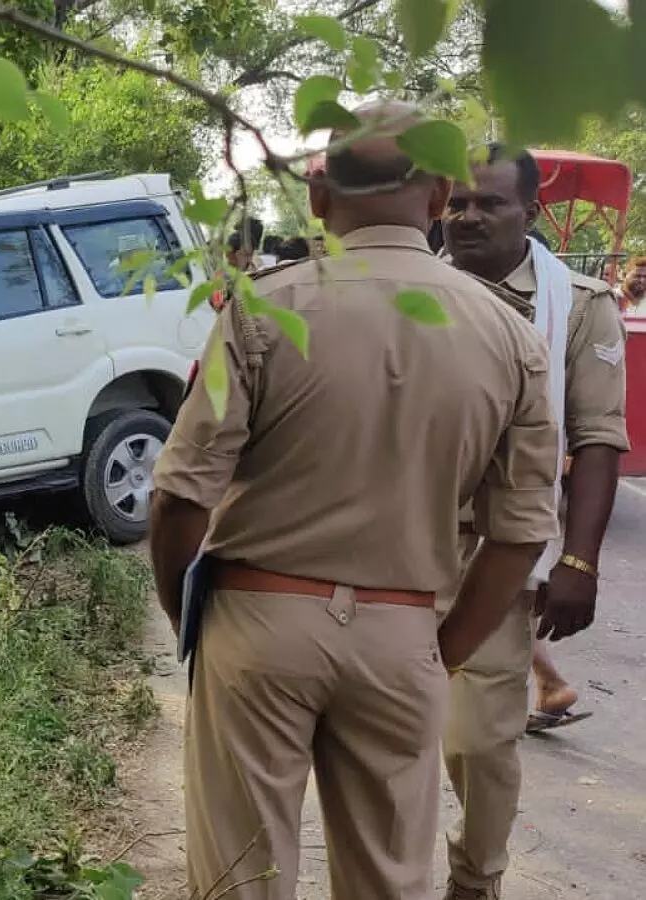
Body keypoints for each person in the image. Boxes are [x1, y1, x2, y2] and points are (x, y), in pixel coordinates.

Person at [149, 101, 558, 900]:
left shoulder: (264, 310)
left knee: (241, 876)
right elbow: (518, 536)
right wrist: (441, 652)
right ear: (440, 198)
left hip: (257, 624)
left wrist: (186, 617)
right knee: (387, 880)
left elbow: (179, 499)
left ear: (320, 197)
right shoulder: (511, 337)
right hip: (403, 632)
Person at [440, 144, 629, 900]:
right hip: (387, 550)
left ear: (531, 212)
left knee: (478, 742)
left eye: (489, 203)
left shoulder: (579, 305)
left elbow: (597, 438)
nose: (468, 217)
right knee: (378, 739)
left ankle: (474, 879)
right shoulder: (405, 292)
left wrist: (578, 562)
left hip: (495, 556)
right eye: (456, 203)